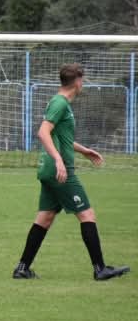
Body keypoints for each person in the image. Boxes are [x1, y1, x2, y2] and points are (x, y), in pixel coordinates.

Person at [13, 64, 129, 281]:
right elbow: (43, 132)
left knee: (45, 218)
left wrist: (83, 150)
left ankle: (22, 268)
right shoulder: (60, 103)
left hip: (49, 170)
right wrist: (59, 160)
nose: (82, 84)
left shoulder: (59, 102)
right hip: (59, 170)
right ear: (77, 81)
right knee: (87, 215)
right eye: (82, 80)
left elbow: (60, 136)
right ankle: (100, 269)